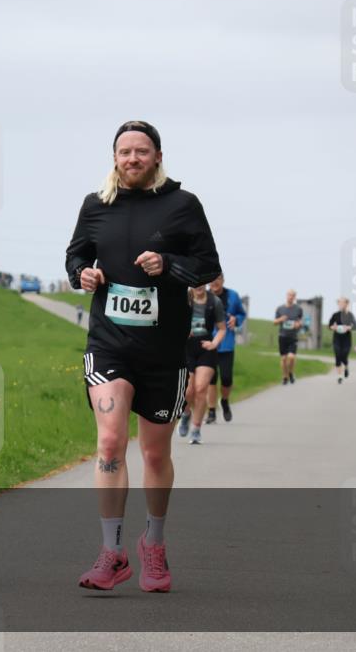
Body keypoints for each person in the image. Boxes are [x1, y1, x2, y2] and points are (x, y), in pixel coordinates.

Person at [65, 121, 221, 592]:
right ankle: (112, 553)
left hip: (164, 352)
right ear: (114, 157)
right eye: (124, 151)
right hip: (110, 344)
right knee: (110, 443)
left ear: (156, 156)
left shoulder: (182, 205)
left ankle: (153, 543)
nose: (132, 159)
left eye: (141, 151)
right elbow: (74, 257)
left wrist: (168, 264)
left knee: (154, 452)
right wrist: (83, 276)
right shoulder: (97, 205)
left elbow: (209, 266)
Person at [177, 286, 226, 445]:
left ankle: (196, 429)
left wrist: (214, 343)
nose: (198, 286)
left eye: (202, 283)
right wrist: (182, 329)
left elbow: (221, 329)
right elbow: (171, 319)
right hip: (186, 348)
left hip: (206, 348)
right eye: (195, 283)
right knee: (188, 390)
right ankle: (185, 415)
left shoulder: (214, 301)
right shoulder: (183, 298)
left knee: (201, 388)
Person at [205, 275, 246, 423]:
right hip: (208, 344)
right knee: (211, 379)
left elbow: (242, 313)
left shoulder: (233, 296)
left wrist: (236, 320)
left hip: (226, 344)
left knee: (227, 378)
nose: (214, 282)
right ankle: (211, 412)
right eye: (212, 279)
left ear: (223, 280)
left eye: (217, 279)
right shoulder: (204, 296)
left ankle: (225, 401)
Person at [274, 290, 303, 385]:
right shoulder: (280, 308)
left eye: (293, 295)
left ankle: (290, 372)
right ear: (286, 296)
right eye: (289, 295)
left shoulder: (298, 309)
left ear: (295, 297)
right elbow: (274, 322)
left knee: (291, 357)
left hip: (293, 336)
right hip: (282, 336)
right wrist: (281, 319)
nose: (290, 297)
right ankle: (285, 376)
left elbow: (300, 322)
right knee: (283, 359)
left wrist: (297, 325)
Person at [328, 297, 356, 383]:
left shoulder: (350, 315)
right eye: (339, 303)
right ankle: (339, 376)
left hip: (347, 340)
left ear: (347, 304)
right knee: (338, 354)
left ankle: (346, 366)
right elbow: (329, 325)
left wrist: (349, 327)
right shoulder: (335, 315)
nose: (341, 305)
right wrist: (333, 327)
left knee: (344, 355)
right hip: (337, 339)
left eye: (343, 303)